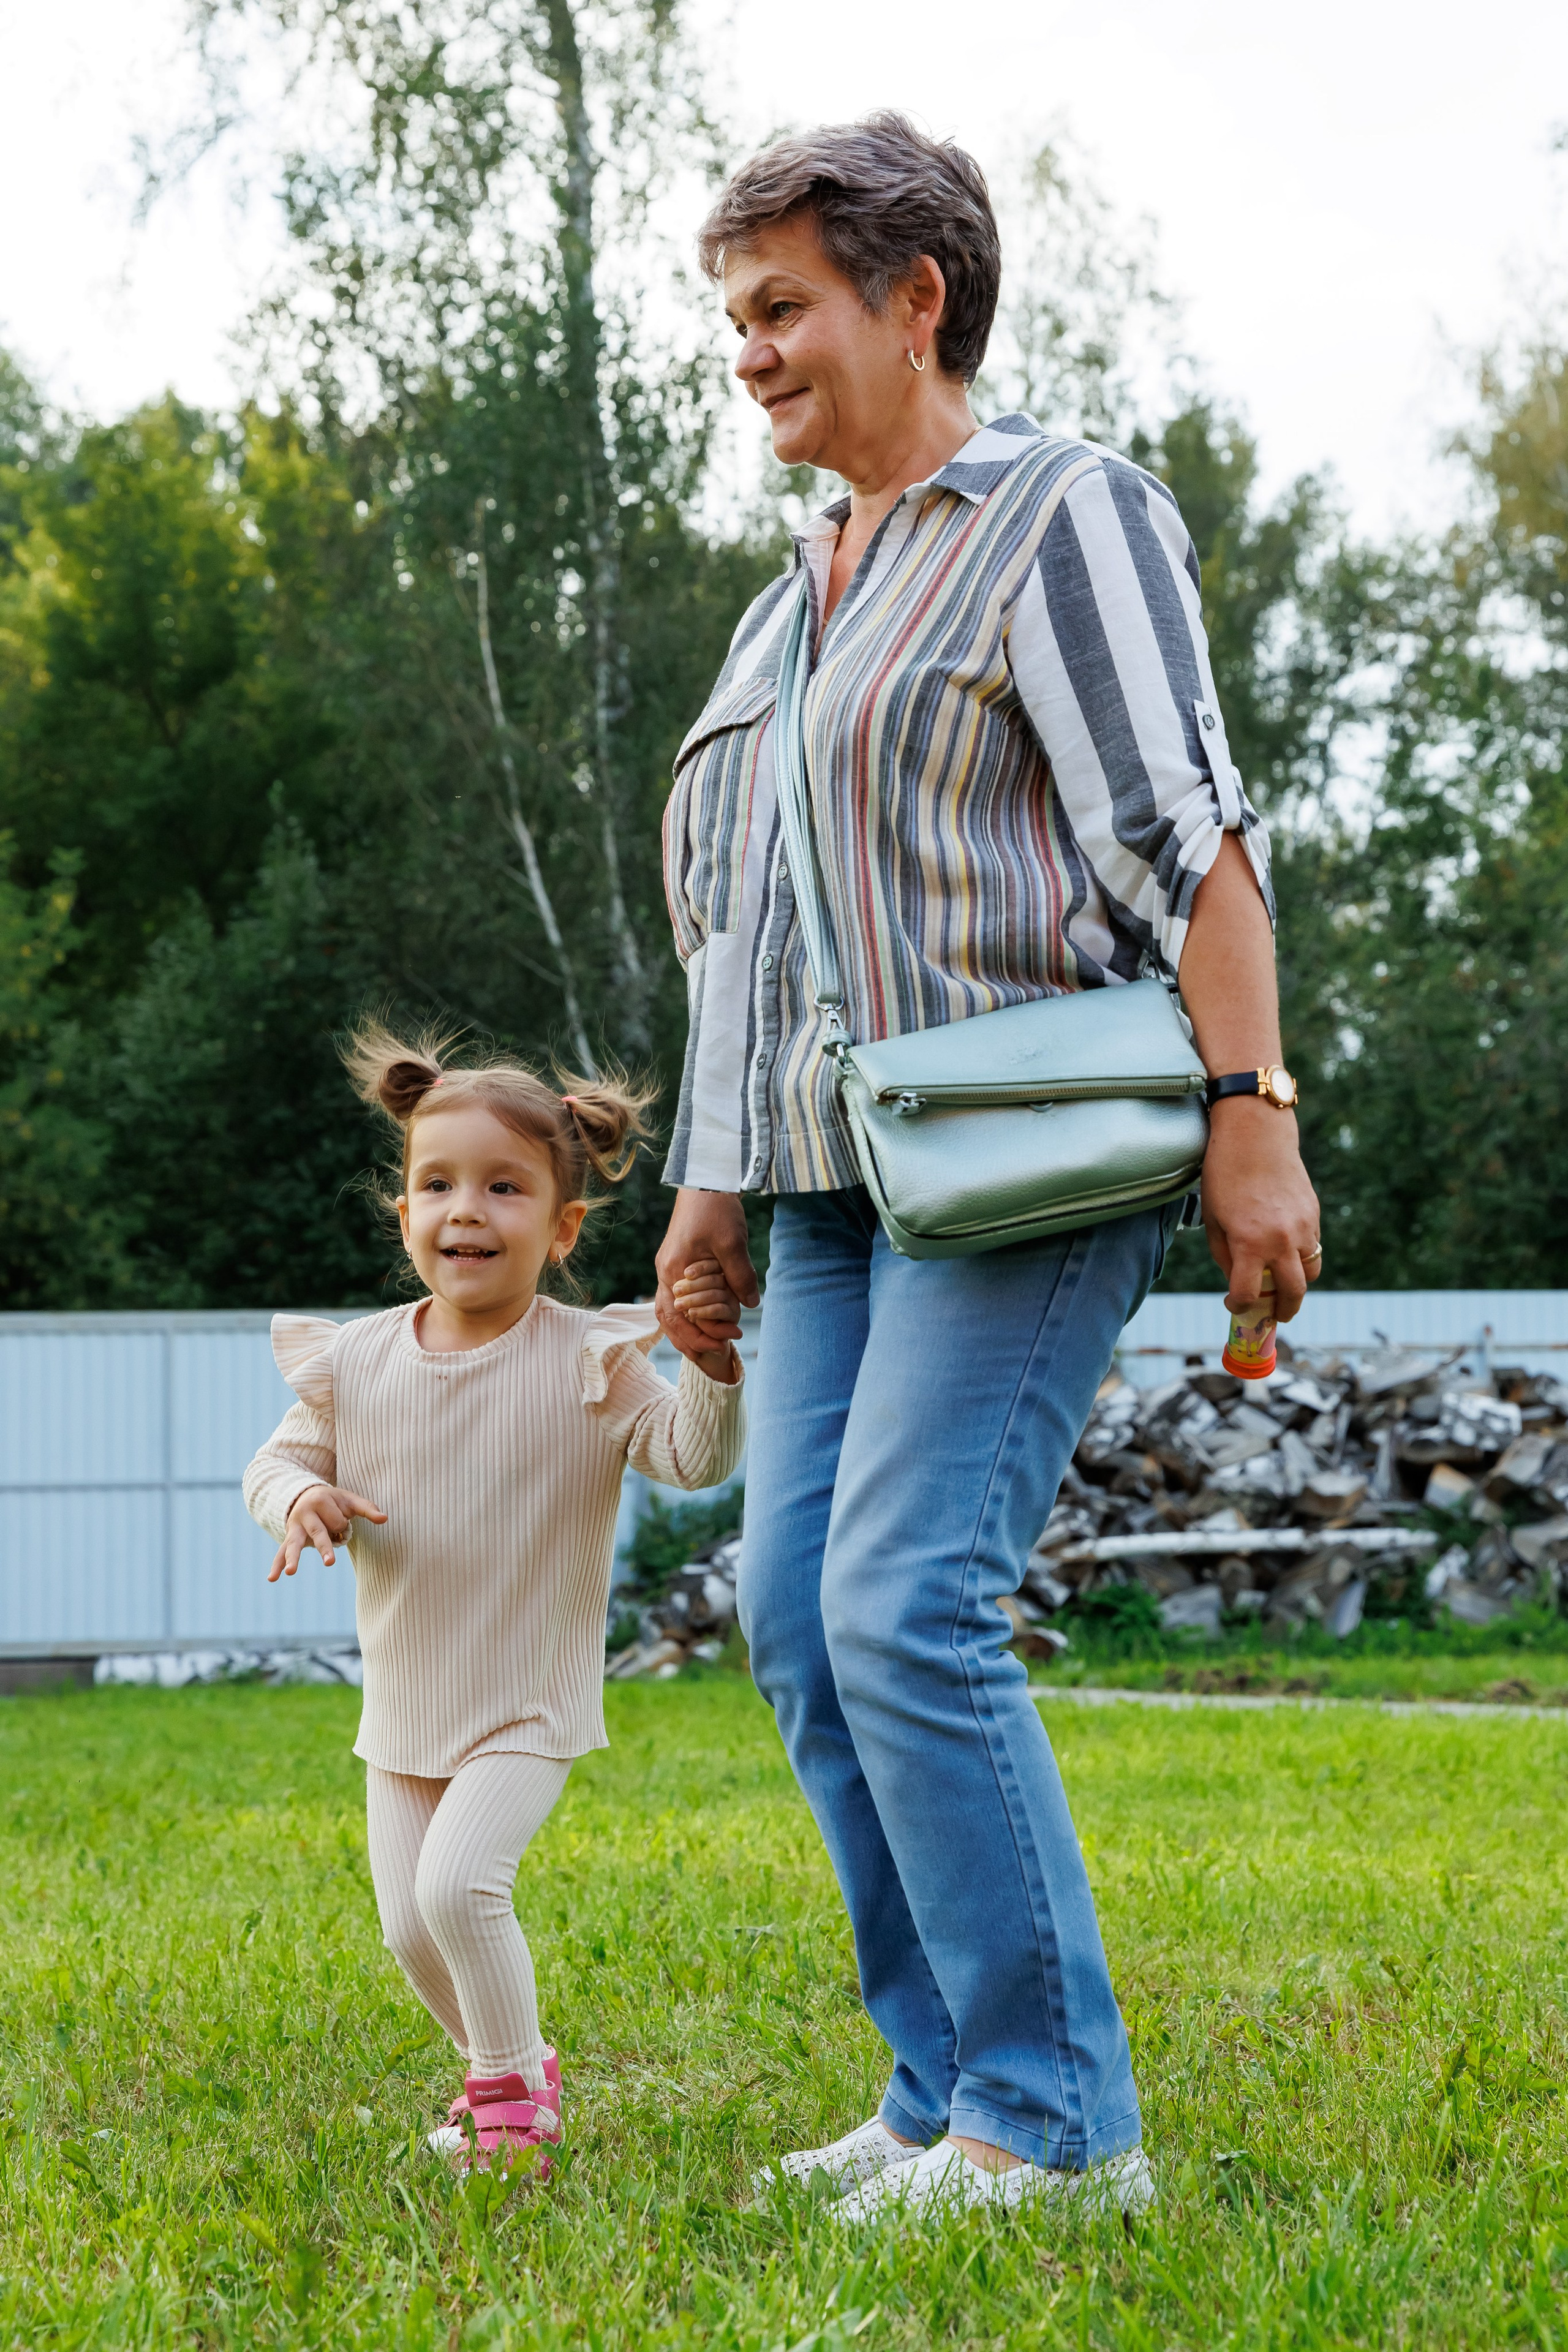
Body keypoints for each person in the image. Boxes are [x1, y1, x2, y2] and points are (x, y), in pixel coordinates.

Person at [655, 113, 1322, 2221]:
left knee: (903, 1601)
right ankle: (938, 2091)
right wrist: (706, 1187)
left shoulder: (1055, 514)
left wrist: (1255, 1122)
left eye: (782, 306)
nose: (749, 351)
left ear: (913, 296)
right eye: (734, 315)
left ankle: (1060, 2128)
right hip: (828, 1187)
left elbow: (1192, 838)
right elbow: (746, 936)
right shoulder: (788, 611)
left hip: (1026, 1167)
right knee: (792, 1615)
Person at [243, 1027, 744, 2174]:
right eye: (437, 1184)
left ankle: (515, 2121)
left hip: (527, 1700)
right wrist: (297, 1500)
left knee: (463, 1889)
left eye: (504, 1188)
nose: (465, 1209)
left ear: (564, 1229)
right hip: (407, 1706)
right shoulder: (357, 1361)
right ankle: (509, 2067)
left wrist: (712, 1372)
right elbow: (274, 1463)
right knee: (409, 1926)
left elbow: (687, 1458)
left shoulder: (591, 1359)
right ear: (403, 1211)